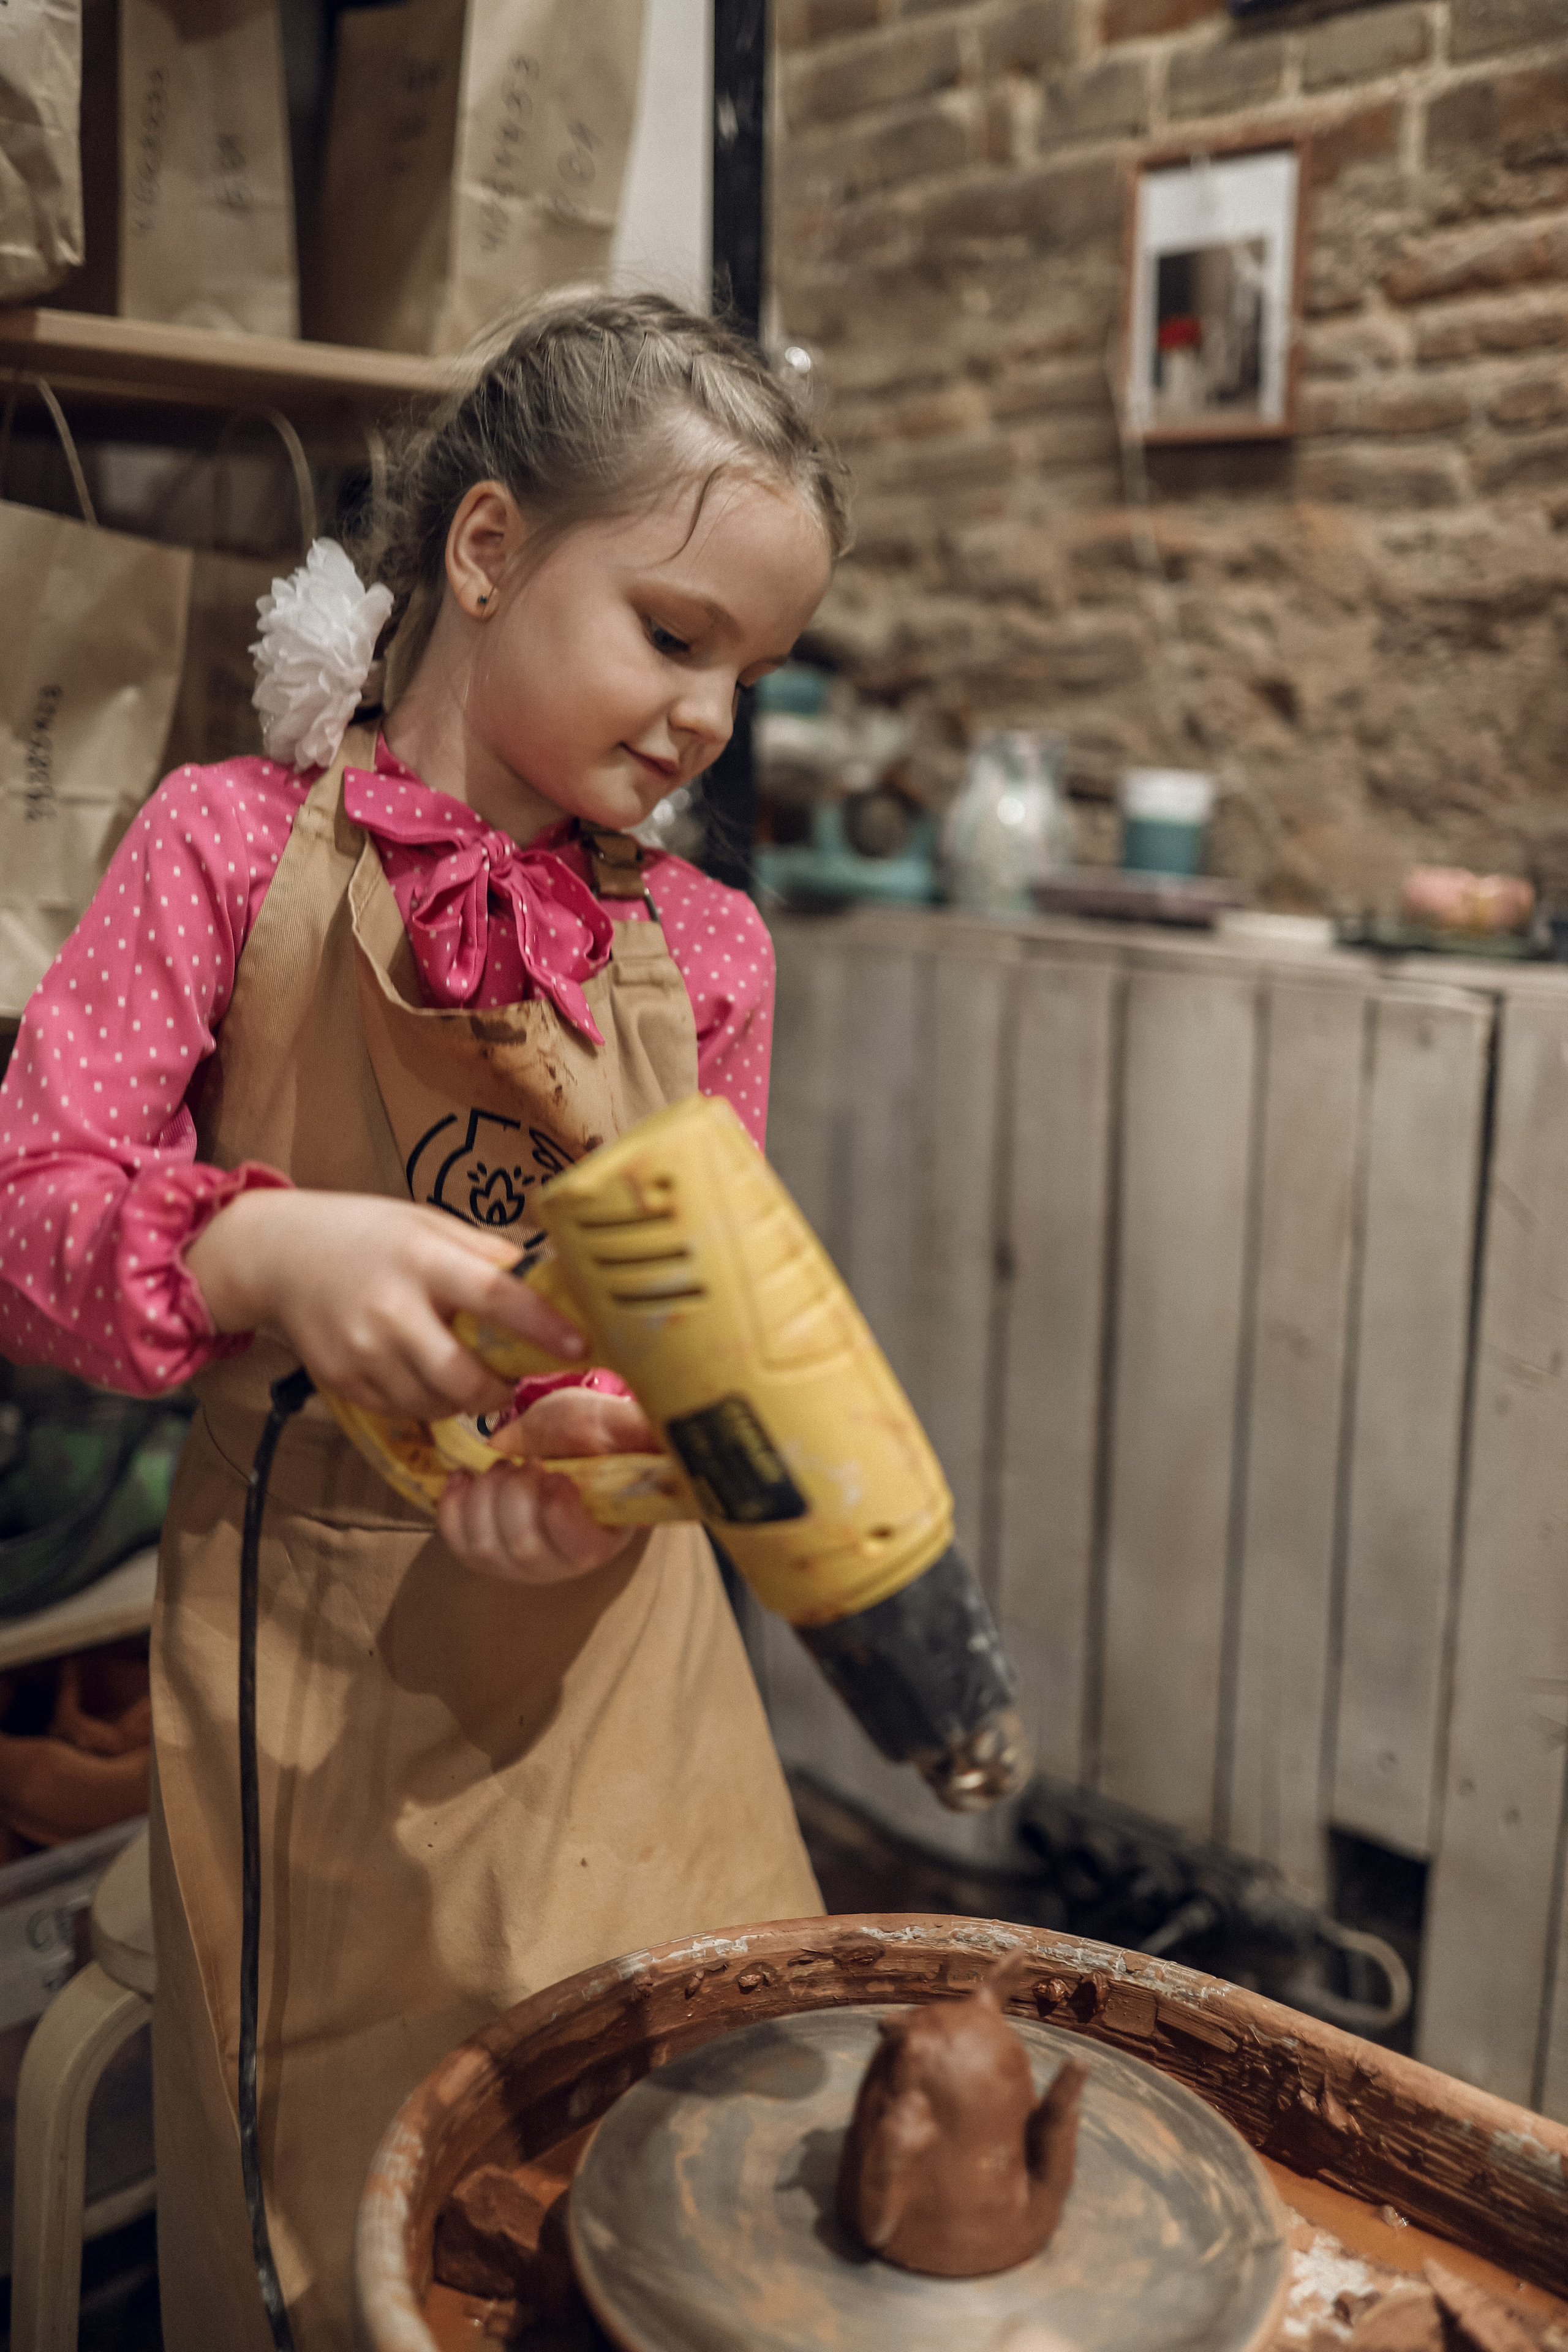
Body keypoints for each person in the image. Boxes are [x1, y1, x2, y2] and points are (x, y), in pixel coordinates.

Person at [0, 290, 850, 2348]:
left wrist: (606, 1454)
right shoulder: (224, 848)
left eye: (747, 673)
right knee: (363, 2242)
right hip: (319, 1676)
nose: (709, 719)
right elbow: (29, 1207)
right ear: (485, 551)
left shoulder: (710, 952)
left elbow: (693, 1336)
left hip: (625, 1669)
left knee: (669, 2210)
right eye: (673, 632)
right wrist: (259, 1255)